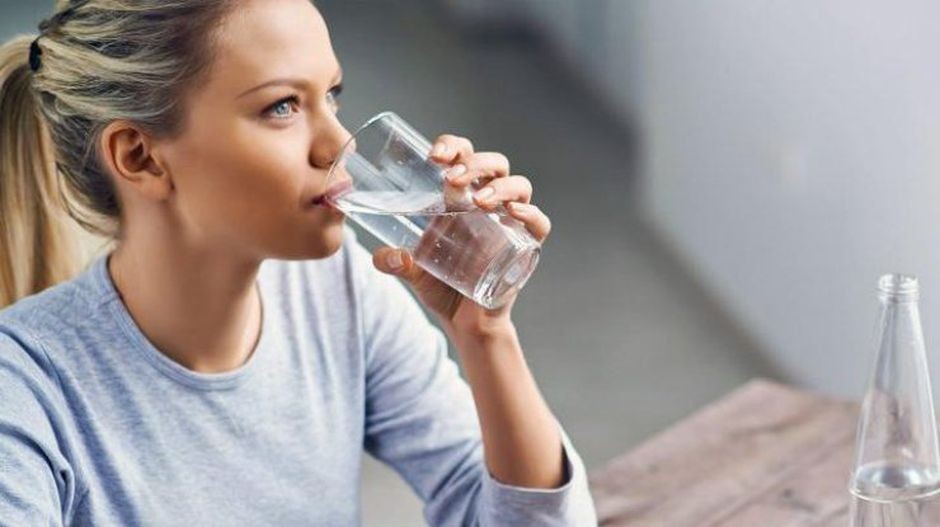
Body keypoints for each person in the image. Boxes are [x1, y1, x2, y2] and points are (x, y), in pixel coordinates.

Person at [0, 0, 597, 525]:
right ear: (140, 157)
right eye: (283, 106)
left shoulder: (339, 293)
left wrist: (486, 334)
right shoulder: (24, 388)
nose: (340, 144)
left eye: (331, 96)